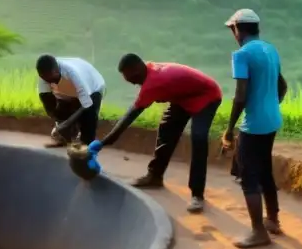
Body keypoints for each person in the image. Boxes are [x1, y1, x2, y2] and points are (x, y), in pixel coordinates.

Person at [94, 53, 222, 214]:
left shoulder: (154, 82)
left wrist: (107, 140)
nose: (135, 85)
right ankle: (154, 176)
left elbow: (131, 114)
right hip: (183, 98)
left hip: (207, 96)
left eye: (133, 80)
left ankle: (197, 195)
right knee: (167, 129)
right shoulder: (148, 68)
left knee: (199, 138)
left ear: (137, 70)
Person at [220, 9, 288, 249]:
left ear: (238, 28)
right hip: (272, 120)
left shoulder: (242, 54)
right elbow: (282, 84)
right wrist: (271, 104)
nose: (233, 34)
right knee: (265, 170)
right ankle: (273, 220)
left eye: (232, 29)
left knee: (249, 178)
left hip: (254, 124)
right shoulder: (271, 49)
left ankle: (259, 232)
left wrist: (229, 129)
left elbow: (240, 96)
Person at [35, 54, 105, 147]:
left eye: (51, 78)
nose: (49, 81)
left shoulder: (72, 74)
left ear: (56, 71)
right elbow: (47, 102)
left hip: (92, 87)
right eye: (45, 79)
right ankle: (66, 137)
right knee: (60, 110)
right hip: (69, 89)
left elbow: (87, 104)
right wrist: (59, 123)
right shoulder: (44, 75)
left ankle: (86, 144)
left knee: (88, 117)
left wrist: (66, 124)